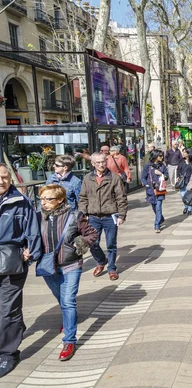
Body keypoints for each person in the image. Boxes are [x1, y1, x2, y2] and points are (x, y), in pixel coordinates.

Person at [36, 184, 97, 361]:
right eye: (42, 199)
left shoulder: (75, 216)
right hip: (48, 267)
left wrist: (79, 244)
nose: (44, 203)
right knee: (62, 300)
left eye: (48, 199)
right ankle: (70, 318)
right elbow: (31, 237)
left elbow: (92, 234)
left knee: (68, 301)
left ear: (60, 199)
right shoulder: (38, 217)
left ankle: (69, 341)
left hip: (71, 264)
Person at [0, 164, 42, 378]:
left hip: (11, 261)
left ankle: (8, 353)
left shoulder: (20, 202)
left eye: (5, 177)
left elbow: (33, 231)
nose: (1, 181)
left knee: (8, 309)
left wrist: (31, 252)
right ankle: (14, 329)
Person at [79, 152, 128, 281]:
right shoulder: (87, 178)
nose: (101, 164)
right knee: (92, 243)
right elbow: (83, 197)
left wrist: (121, 215)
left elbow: (121, 198)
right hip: (93, 217)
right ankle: (101, 261)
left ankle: (112, 268)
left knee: (111, 243)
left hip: (110, 216)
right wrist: (83, 214)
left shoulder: (114, 178)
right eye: (98, 162)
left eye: (103, 161)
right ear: (93, 163)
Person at [141, 150, 168, 233]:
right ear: (155, 156)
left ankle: (157, 225)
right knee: (154, 207)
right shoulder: (147, 166)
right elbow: (143, 177)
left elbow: (167, 177)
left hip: (160, 189)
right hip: (151, 190)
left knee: (158, 207)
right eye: (160, 156)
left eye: (162, 156)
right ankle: (161, 218)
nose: (161, 157)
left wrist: (161, 174)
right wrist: (146, 185)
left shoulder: (162, 166)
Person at [177, 149, 192, 215]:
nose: (183, 153)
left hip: (191, 181)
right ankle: (186, 207)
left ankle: (189, 209)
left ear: (189, 153)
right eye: (183, 152)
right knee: (183, 195)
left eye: (185, 152)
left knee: (190, 196)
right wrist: (177, 176)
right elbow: (178, 169)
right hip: (183, 181)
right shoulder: (181, 161)